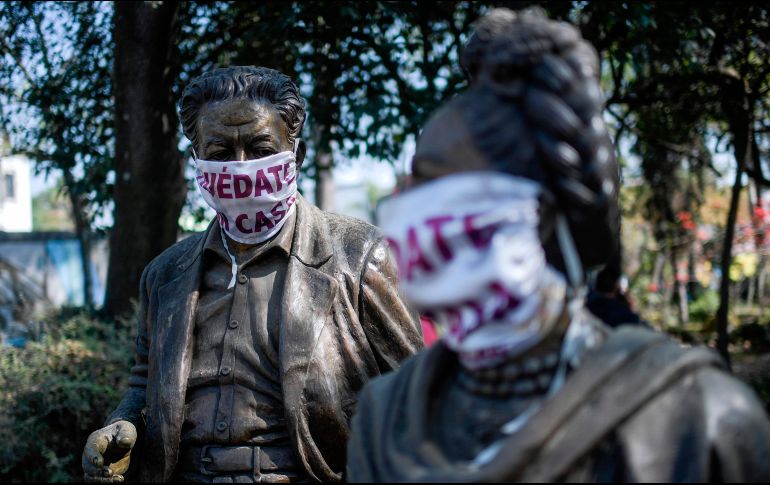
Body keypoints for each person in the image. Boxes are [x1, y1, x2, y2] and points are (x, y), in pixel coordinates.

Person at [347, 9, 770, 482]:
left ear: (538, 209)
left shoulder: (699, 418)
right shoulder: (382, 419)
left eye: (433, 184)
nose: (404, 209)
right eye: (408, 185)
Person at [82, 66, 423, 483]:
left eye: (260, 148)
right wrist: (125, 424)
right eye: (221, 152)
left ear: (295, 154)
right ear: (197, 162)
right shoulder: (164, 275)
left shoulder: (360, 257)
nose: (240, 168)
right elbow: (144, 383)